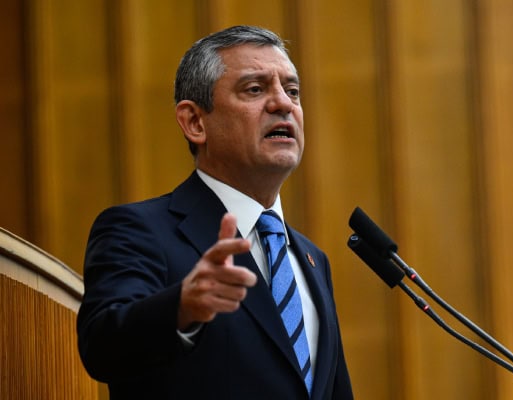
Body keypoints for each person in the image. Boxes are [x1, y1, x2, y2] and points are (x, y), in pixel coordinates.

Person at [76, 25, 353, 400]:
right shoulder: (139, 230)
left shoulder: (312, 259)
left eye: (292, 91)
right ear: (195, 122)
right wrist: (182, 307)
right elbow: (103, 345)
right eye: (254, 89)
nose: (283, 104)